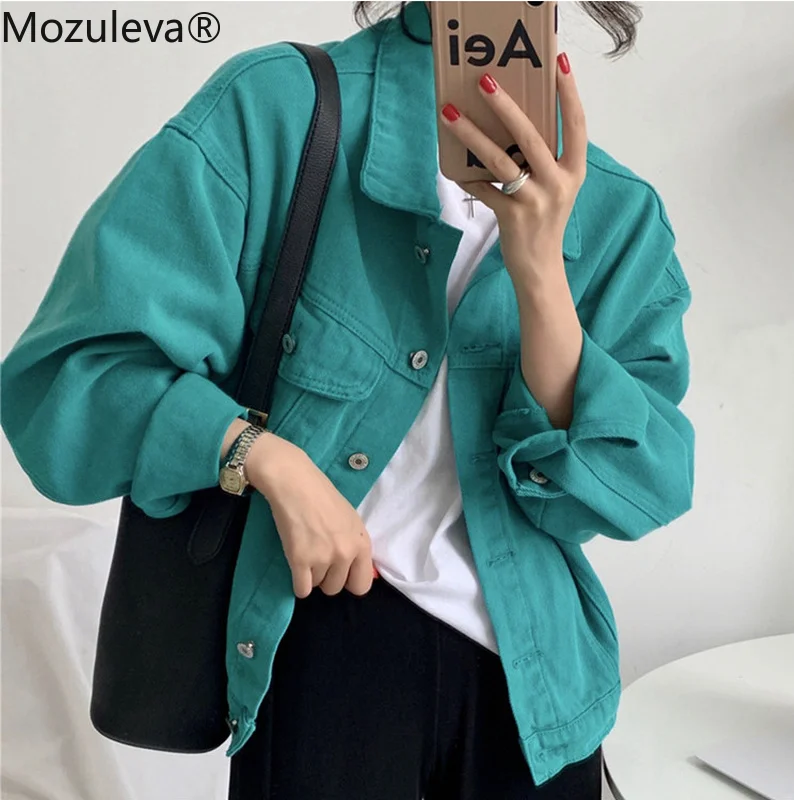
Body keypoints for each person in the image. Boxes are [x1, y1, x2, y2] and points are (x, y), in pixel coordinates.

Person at [0, 2, 695, 798]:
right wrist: (262, 457)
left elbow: (638, 489)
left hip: (542, 690)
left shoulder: (619, 214)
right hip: (328, 647)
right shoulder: (279, 111)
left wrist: (539, 269)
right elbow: (72, 381)